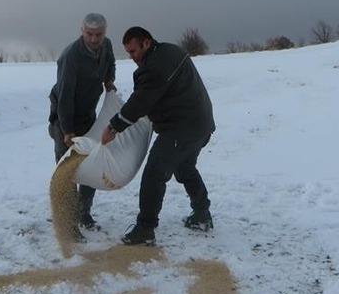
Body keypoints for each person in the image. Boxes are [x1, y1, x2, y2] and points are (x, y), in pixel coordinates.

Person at [101, 26, 215, 246]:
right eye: (128, 53)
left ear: (146, 42)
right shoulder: (171, 51)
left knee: (154, 174)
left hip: (181, 128)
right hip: (202, 124)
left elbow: (140, 102)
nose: (132, 57)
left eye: (133, 51)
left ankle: (146, 228)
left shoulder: (153, 67)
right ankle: (202, 214)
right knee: (185, 168)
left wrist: (114, 127)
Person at [48, 13, 116, 231]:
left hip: (88, 115)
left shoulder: (106, 46)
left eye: (99, 34)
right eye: (90, 34)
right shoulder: (71, 56)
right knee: (67, 169)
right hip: (64, 116)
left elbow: (110, 62)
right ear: (82, 30)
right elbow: (65, 95)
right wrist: (67, 131)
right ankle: (68, 223)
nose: (95, 39)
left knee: (91, 166)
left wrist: (108, 79)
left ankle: (83, 213)